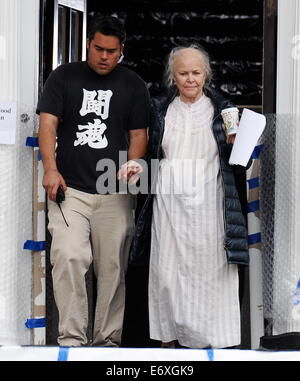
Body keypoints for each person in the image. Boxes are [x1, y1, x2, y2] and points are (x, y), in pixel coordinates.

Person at [37, 15, 150, 347]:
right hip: (69, 188)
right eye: (98, 48)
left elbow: (139, 134)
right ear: (88, 44)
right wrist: (50, 168)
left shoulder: (133, 84)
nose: (104, 56)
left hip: (113, 189)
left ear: (121, 51)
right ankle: (71, 339)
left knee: (113, 268)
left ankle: (107, 342)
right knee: (68, 256)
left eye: (111, 51)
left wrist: (132, 164)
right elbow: (48, 125)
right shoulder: (64, 77)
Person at [127, 45, 249, 349]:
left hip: (211, 202)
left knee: (210, 274)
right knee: (168, 274)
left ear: (205, 74)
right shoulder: (159, 109)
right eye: (183, 73)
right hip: (169, 204)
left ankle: (211, 344)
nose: (190, 79)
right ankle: (171, 342)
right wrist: (135, 163)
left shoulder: (225, 109)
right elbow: (148, 149)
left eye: (196, 72)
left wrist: (236, 141)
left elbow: (241, 161)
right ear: (173, 76)